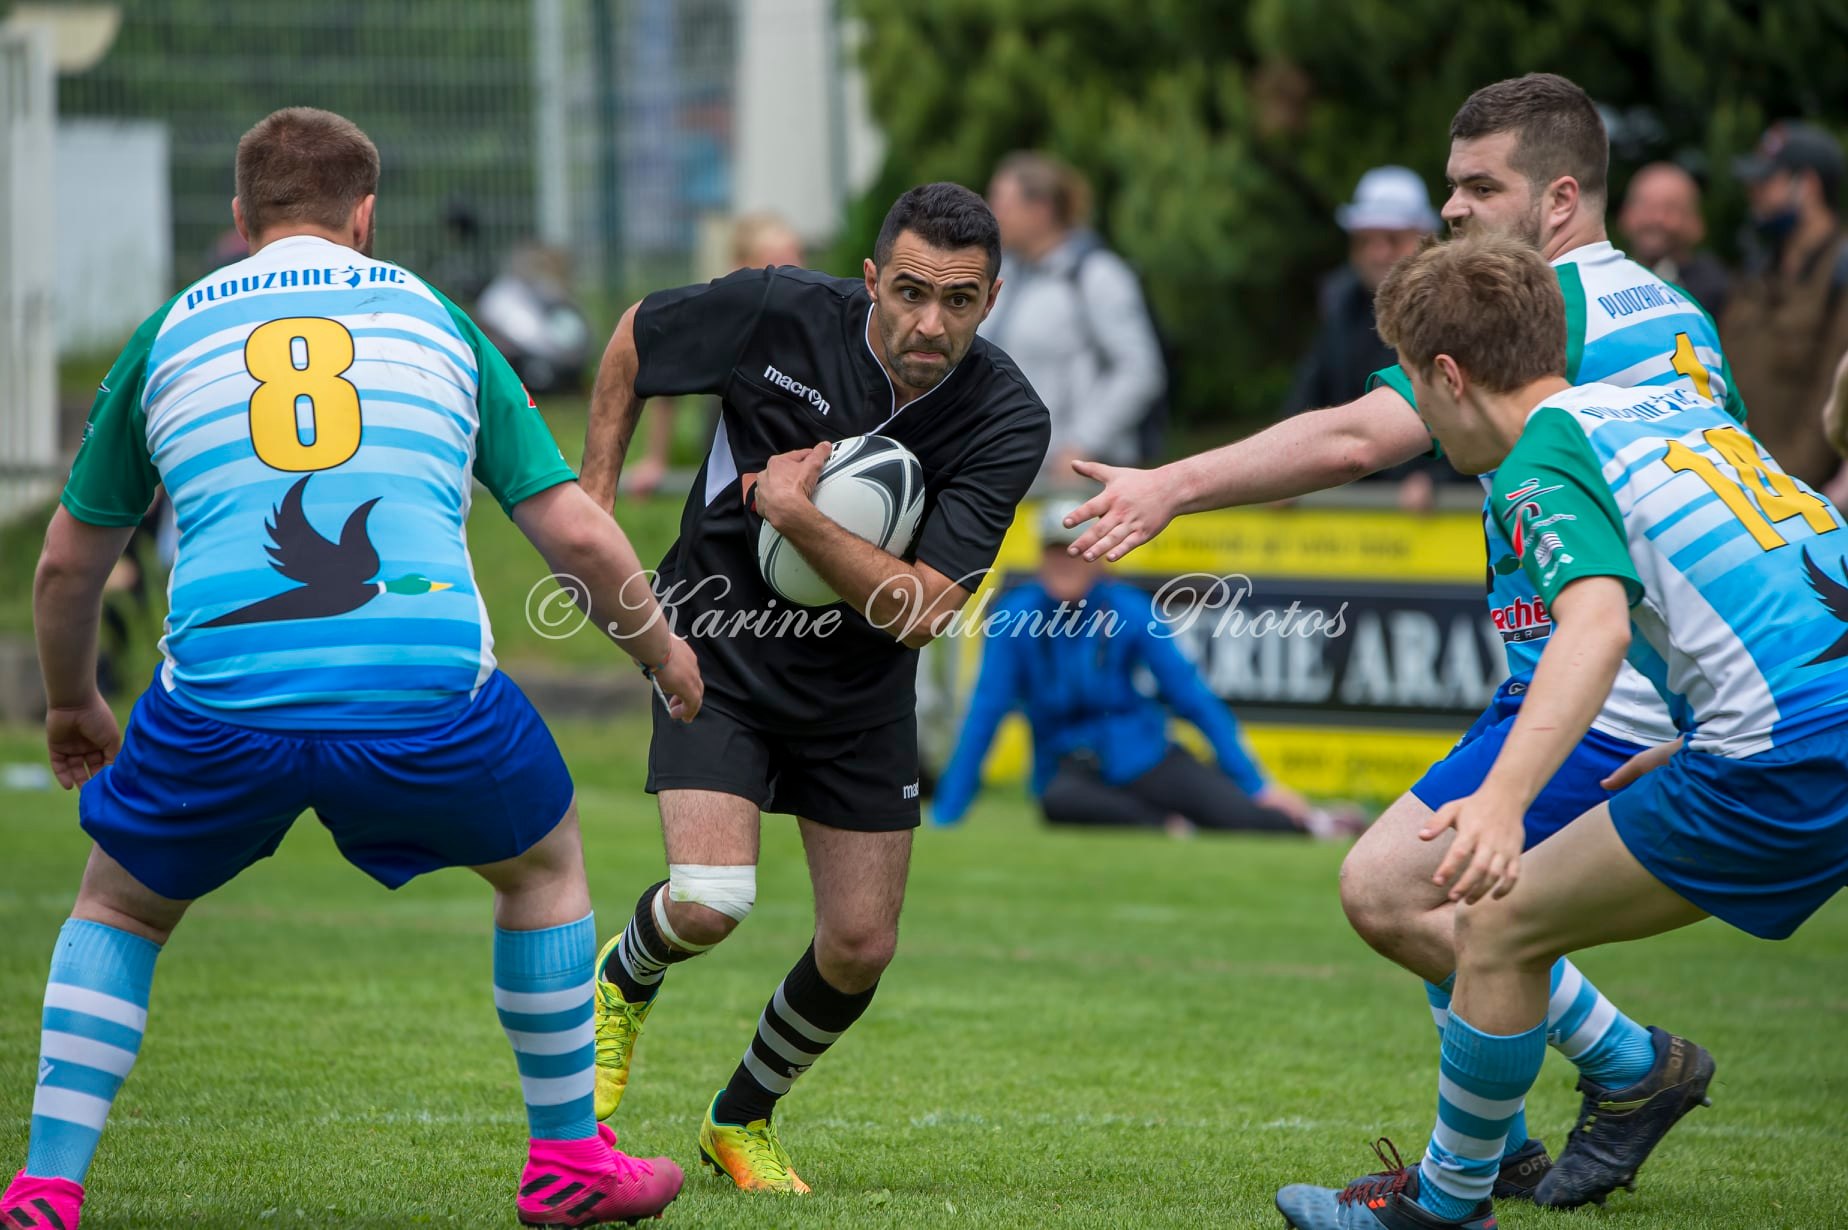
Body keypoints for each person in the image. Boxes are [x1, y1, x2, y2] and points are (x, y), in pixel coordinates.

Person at [0, 107, 702, 1230]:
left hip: (221, 698)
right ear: (365, 216)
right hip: (422, 692)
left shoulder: (169, 333)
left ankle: (45, 1187)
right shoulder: (439, 321)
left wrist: (77, 701)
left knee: (119, 905)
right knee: (544, 866)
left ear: (241, 218)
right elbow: (575, 533)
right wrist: (663, 653)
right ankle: (568, 1158)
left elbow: (65, 568)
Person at [1066, 73, 1736, 1207]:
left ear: (1561, 200)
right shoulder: (1676, 313)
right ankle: (1505, 1139)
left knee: (1388, 889)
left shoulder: (1554, 308)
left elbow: (1353, 438)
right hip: (1612, 674)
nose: (1454, 209)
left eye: (1482, 186)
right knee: (1444, 881)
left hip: (1598, 687)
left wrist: (1172, 484)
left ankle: (1624, 1073)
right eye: (1450, 186)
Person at [1274, 233, 1848, 1230]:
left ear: (1448, 376)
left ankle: (1447, 1209)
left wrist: (1502, 801)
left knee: (1495, 926)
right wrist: (1698, 733)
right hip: (1801, 727)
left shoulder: (1542, 458)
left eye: (1412, 385)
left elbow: (1595, 627)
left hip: (1782, 759)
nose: (1419, 416)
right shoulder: (1673, 407)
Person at [578, 182, 1050, 1193]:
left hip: (861, 689)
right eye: (910, 292)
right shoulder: (777, 310)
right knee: (711, 899)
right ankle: (623, 980)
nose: (930, 323)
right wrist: (596, 502)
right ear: (872, 279)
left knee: (860, 946)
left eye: (959, 300)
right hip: (718, 649)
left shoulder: (1006, 416)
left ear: (992, 299)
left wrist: (795, 513)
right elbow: (632, 340)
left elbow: (923, 610)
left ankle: (739, 1118)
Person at [931, 502, 1333, 836]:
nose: (1064, 561)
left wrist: (1256, 784)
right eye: (1054, 551)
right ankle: (1167, 825)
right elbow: (986, 711)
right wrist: (948, 812)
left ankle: (1319, 824)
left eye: (1076, 550)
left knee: (1239, 816)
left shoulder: (1129, 608)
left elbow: (1191, 696)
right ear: (1040, 557)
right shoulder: (1014, 616)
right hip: (1069, 771)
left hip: (1144, 756)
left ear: (1099, 558)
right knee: (1058, 802)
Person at [982, 150, 1165, 478]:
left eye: (1003, 203)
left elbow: (1140, 371)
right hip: (1012, 472)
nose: (992, 215)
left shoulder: (1097, 275)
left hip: (1076, 479)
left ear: (1041, 210)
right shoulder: (1003, 275)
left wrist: (1081, 444)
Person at [1284, 166, 1452, 511]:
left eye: (1392, 238)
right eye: (1365, 240)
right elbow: (1309, 399)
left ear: (1426, 239)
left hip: (1436, 513)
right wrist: (1284, 467)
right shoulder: (1339, 308)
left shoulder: (1461, 307)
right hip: (1355, 510)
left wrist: (1438, 478)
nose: (1378, 252)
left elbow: (1484, 412)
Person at [622, 211, 806, 499]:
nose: (791, 275)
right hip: (737, 470)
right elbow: (664, 372)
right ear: (741, 268)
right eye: (777, 265)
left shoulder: (811, 318)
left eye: (796, 261)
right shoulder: (726, 324)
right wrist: (656, 458)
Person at [1722, 121, 1848, 491]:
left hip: (1792, 498)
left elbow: (1829, 411)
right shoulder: (1758, 272)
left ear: (1806, 185)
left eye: (1766, 181)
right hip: (1733, 485)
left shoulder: (1840, 273)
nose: (1753, 192)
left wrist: (1778, 490)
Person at [1617, 162, 1730, 318]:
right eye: (1645, 206)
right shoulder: (1602, 284)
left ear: (1696, 223)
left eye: (1670, 208)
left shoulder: (1721, 294)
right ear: (1624, 215)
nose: (1656, 218)